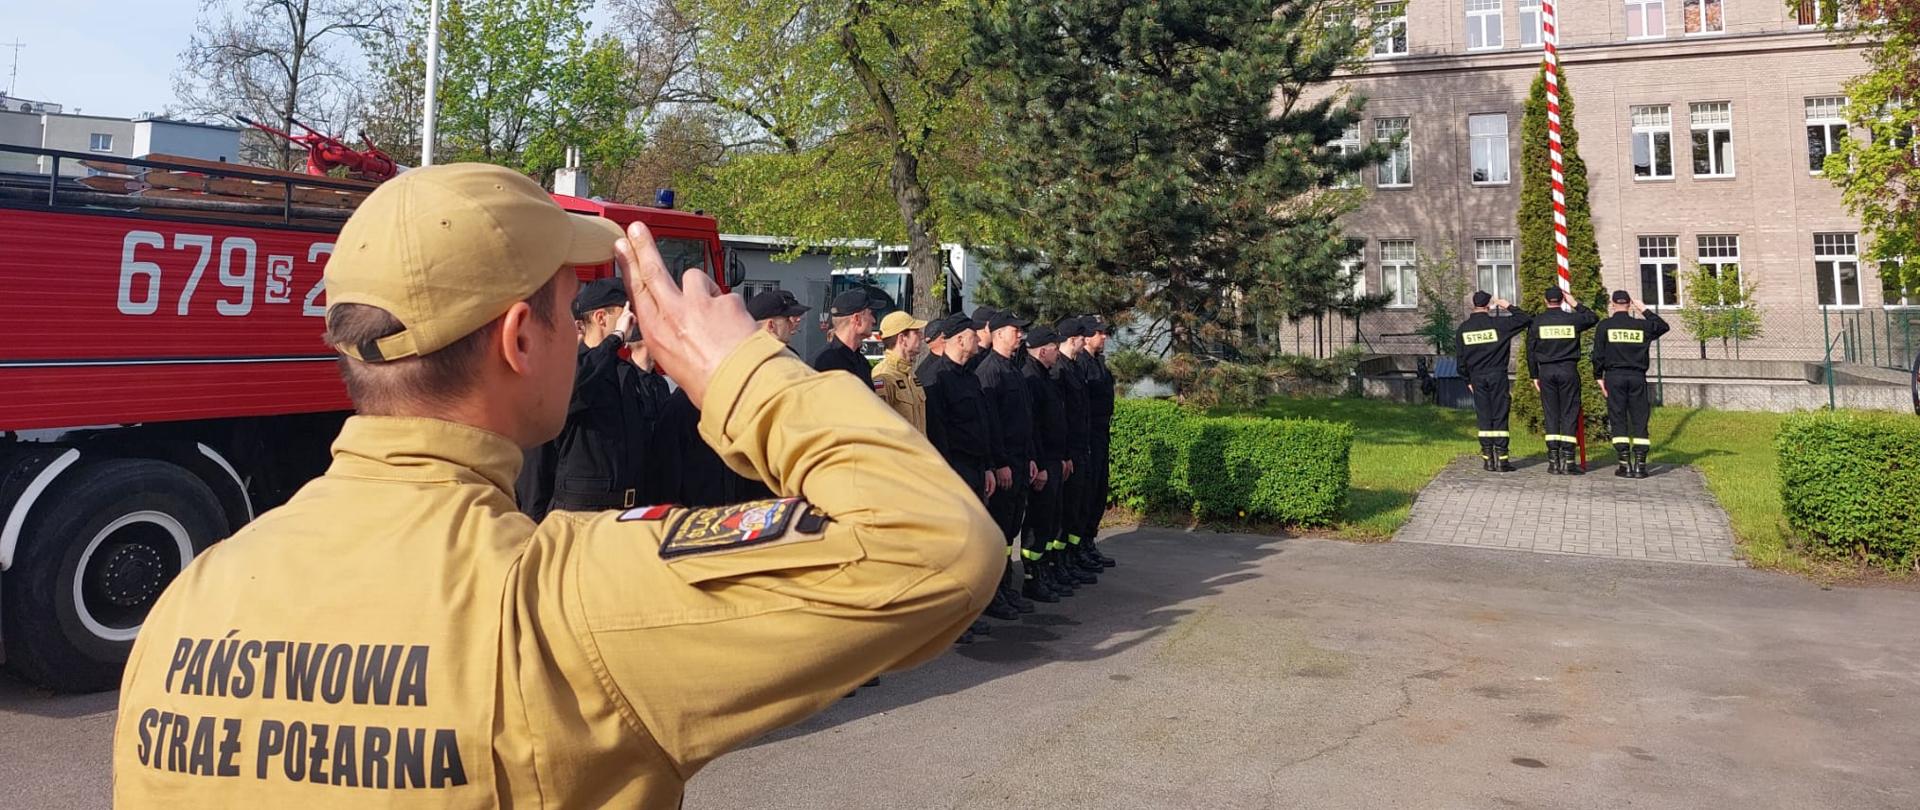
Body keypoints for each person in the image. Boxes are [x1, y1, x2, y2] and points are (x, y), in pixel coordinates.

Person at [110, 163, 1000, 809]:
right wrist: (741, 371)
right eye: (567, 307)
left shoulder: (192, 599)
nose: (581, 334)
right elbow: (938, 546)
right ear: (519, 340)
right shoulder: (570, 601)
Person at [516, 277, 664, 520]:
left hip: (627, 514)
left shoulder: (625, 373)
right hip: (579, 516)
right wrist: (615, 338)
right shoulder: (569, 368)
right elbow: (536, 463)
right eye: (626, 312)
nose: (634, 320)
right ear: (601, 318)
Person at [652, 288, 808, 507]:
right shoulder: (683, 403)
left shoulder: (753, 387)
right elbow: (668, 472)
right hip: (705, 512)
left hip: (751, 507)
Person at [921, 315, 1032, 620]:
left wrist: (988, 467)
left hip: (976, 468)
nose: (979, 337)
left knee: (981, 540)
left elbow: (985, 426)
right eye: (973, 333)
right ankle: (957, 611)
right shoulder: (937, 378)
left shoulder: (969, 376)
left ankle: (987, 597)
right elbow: (939, 433)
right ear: (959, 339)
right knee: (959, 544)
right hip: (955, 469)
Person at [976, 310, 1043, 600]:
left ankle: (1004, 586)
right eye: (1016, 331)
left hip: (1020, 460)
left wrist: (1030, 457)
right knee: (1000, 529)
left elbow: (1025, 420)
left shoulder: (1013, 368)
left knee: (1012, 527)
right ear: (999, 334)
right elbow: (991, 425)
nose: (1020, 336)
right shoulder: (989, 371)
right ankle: (995, 591)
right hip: (1006, 463)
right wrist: (999, 463)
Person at [1019, 323, 1076, 599]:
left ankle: (1045, 570)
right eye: (1054, 348)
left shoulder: (1045, 376)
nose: (1058, 353)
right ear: (1042, 351)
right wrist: (1040, 465)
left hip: (1054, 459)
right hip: (1043, 462)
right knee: (1038, 521)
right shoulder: (1030, 377)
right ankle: (1032, 577)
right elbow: (1034, 428)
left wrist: (1063, 457)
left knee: (1051, 520)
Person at [1592, 290, 1671, 479]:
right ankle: (1641, 466)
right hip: (1637, 377)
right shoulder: (1642, 326)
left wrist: (1599, 376)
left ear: (1612, 304)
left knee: (1618, 417)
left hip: (1614, 377)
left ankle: (1624, 464)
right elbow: (1663, 326)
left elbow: (1598, 354)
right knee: (1640, 418)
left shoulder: (1605, 326)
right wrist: (1643, 309)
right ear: (1629, 304)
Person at [1454, 291, 1533, 473]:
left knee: (1484, 416)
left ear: (1473, 305)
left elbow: (1460, 360)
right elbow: (1526, 319)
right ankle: (1502, 460)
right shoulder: (1499, 324)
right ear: (1488, 306)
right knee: (1500, 414)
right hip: (1497, 375)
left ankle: (1488, 459)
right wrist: (1507, 305)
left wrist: (1468, 380)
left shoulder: (1463, 329)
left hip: (1477, 378)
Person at [1526, 286, 1599, 475]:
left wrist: (1534, 375)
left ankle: (1553, 462)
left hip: (1546, 371)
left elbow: (1530, 351)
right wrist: (1575, 303)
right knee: (1569, 413)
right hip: (1568, 370)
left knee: (1551, 414)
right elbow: (1593, 318)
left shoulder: (1537, 322)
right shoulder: (1572, 319)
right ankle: (1568, 461)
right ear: (1562, 300)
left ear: (1545, 300)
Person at [1053, 318, 1102, 584]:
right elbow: (1059, 418)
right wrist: (1065, 455)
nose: (1085, 341)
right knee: (1062, 512)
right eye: (1082, 337)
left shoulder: (1072, 367)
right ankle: (1057, 563)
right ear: (1072, 339)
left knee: (1077, 508)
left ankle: (1072, 556)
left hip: (1081, 447)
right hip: (1068, 451)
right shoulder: (1059, 369)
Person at [1075, 316, 1118, 569]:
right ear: (1087, 336)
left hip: (1101, 433)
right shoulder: (1081, 363)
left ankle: (1089, 541)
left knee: (1099, 490)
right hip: (1088, 435)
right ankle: (1079, 546)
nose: (1104, 337)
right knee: (1087, 493)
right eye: (1099, 333)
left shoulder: (1098, 362)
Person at [872, 310, 929, 432]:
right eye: (916, 333)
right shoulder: (884, 376)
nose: (921, 337)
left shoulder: (910, 374)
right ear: (902, 338)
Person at [813, 288, 878, 389]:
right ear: (857, 319)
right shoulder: (823, 364)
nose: (874, 320)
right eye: (870, 314)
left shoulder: (861, 362)